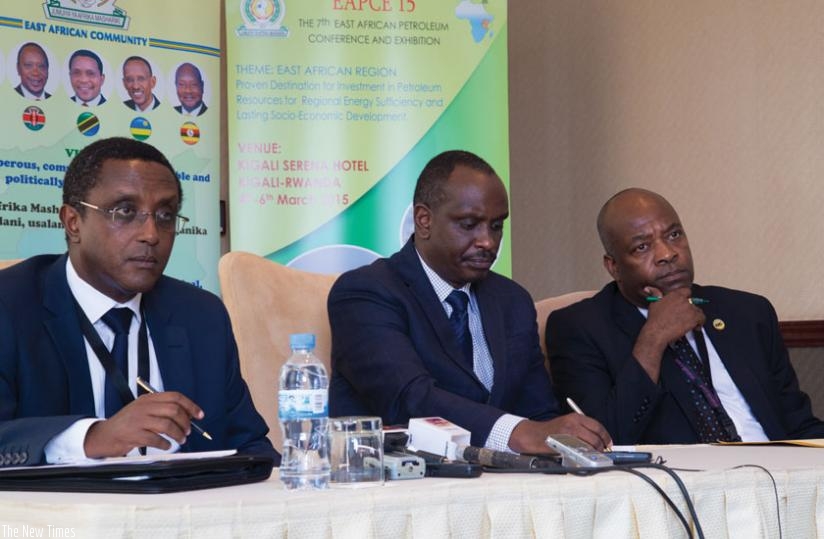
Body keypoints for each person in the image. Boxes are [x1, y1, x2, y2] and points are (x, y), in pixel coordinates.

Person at [0, 137, 277, 466]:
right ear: (73, 222)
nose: (151, 234)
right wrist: (92, 438)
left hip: (181, 512)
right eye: (125, 211)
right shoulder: (10, 306)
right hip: (59, 516)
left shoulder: (201, 316)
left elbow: (249, 446)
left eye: (165, 215)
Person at [328, 150, 611, 454]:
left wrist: (566, 439)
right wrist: (515, 432)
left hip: (503, 488)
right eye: (468, 224)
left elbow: (539, 413)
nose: (488, 242)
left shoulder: (512, 301)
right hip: (394, 484)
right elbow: (408, 399)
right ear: (423, 220)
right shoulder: (366, 292)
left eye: (496, 226)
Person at [547, 188, 824, 445]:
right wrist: (653, 339)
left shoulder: (748, 313)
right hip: (683, 489)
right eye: (642, 247)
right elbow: (602, 444)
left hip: (780, 477)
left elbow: (799, 426)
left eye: (674, 235)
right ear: (614, 267)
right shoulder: (579, 328)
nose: (668, 253)